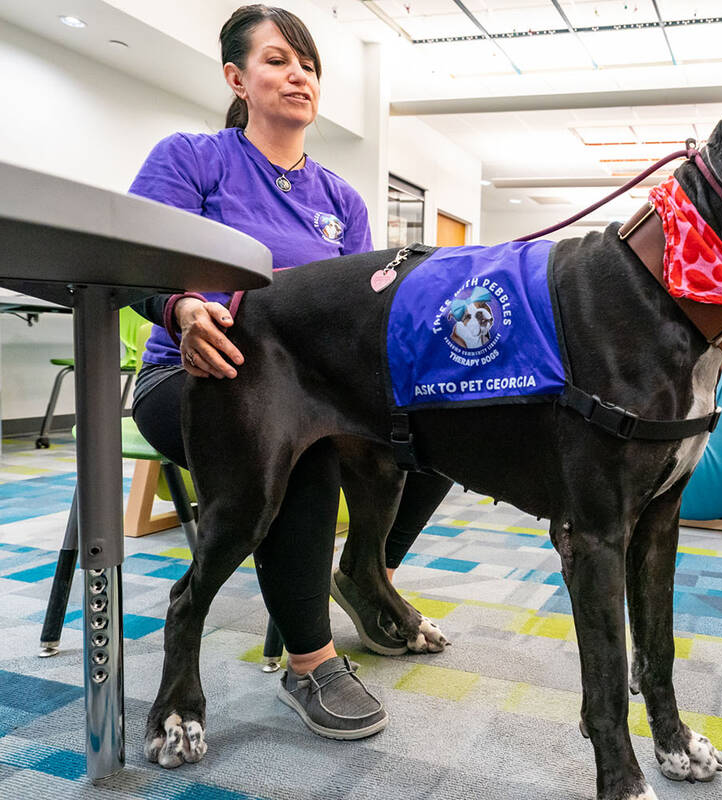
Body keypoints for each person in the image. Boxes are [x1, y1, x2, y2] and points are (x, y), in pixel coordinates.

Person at [128, 4, 451, 740]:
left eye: (307, 63)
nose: (297, 74)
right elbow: (133, 265)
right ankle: (309, 664)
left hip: (313, 387)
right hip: (192, 378)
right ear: (236, 78)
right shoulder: (192, 159)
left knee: (437, 427)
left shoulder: (340, 198)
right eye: (277, 60)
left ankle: (368, 574)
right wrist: (181, 310)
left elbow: (367, 311)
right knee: (298, 441)